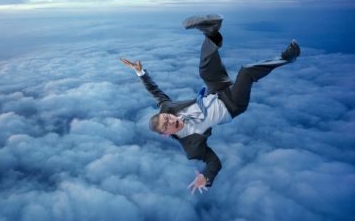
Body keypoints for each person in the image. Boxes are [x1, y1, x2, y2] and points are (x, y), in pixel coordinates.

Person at [120, 14, 300, 195]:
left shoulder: (168, 109)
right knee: (246, 72)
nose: (172, 120)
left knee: (205, 70)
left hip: (217, 91)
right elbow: (214, 162)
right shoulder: (192, 148)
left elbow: (155, 92)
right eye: (167, 125)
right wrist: (206, 177)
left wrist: (140, 72)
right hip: (232, 104)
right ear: (166, 135)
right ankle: (287, 58)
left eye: (168, 118)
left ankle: (211, 31)